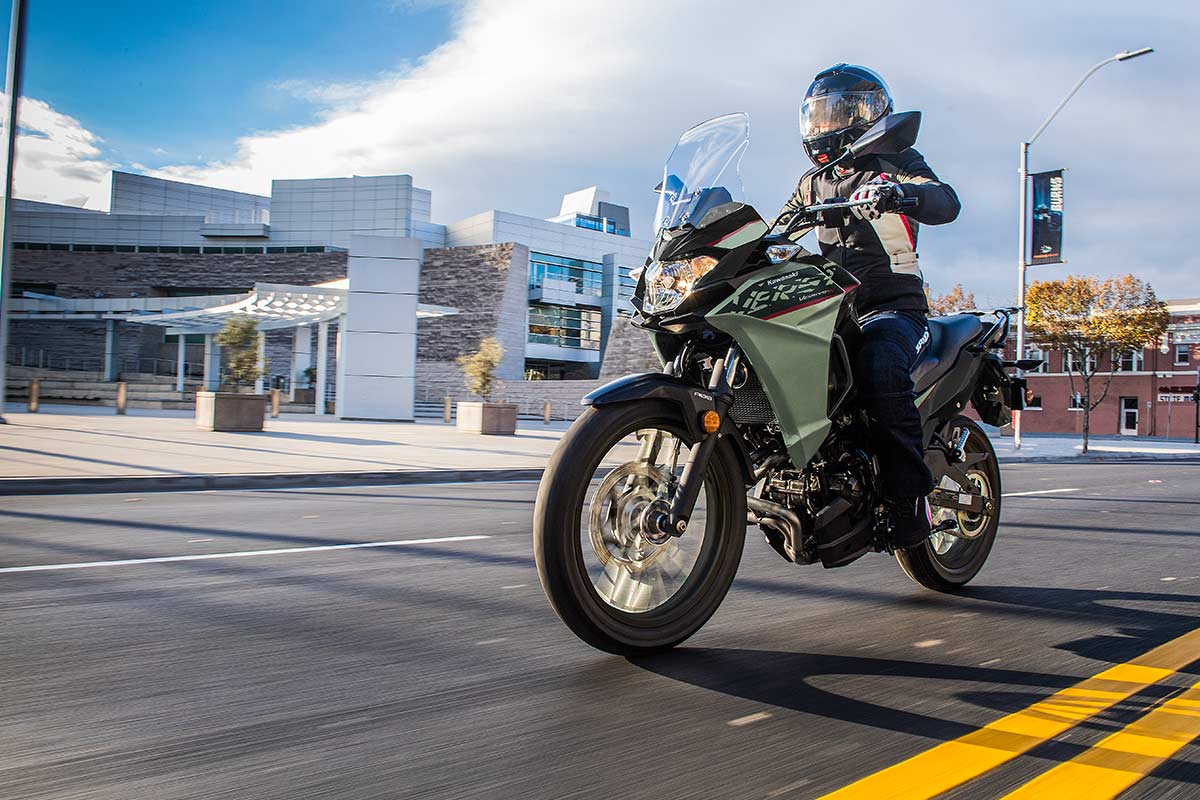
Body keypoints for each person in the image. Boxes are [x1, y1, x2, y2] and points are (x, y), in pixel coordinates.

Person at [778, 63, 961, 548]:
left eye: (837, 113)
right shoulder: (810, 183)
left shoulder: (894, 160)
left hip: (895, 308)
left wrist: (899, 193)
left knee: (880, 365)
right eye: (818, 116)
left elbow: (946, 201)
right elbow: (778, 230)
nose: (826, 125)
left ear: (865, 114)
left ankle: (908, 500)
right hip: (833, 312)